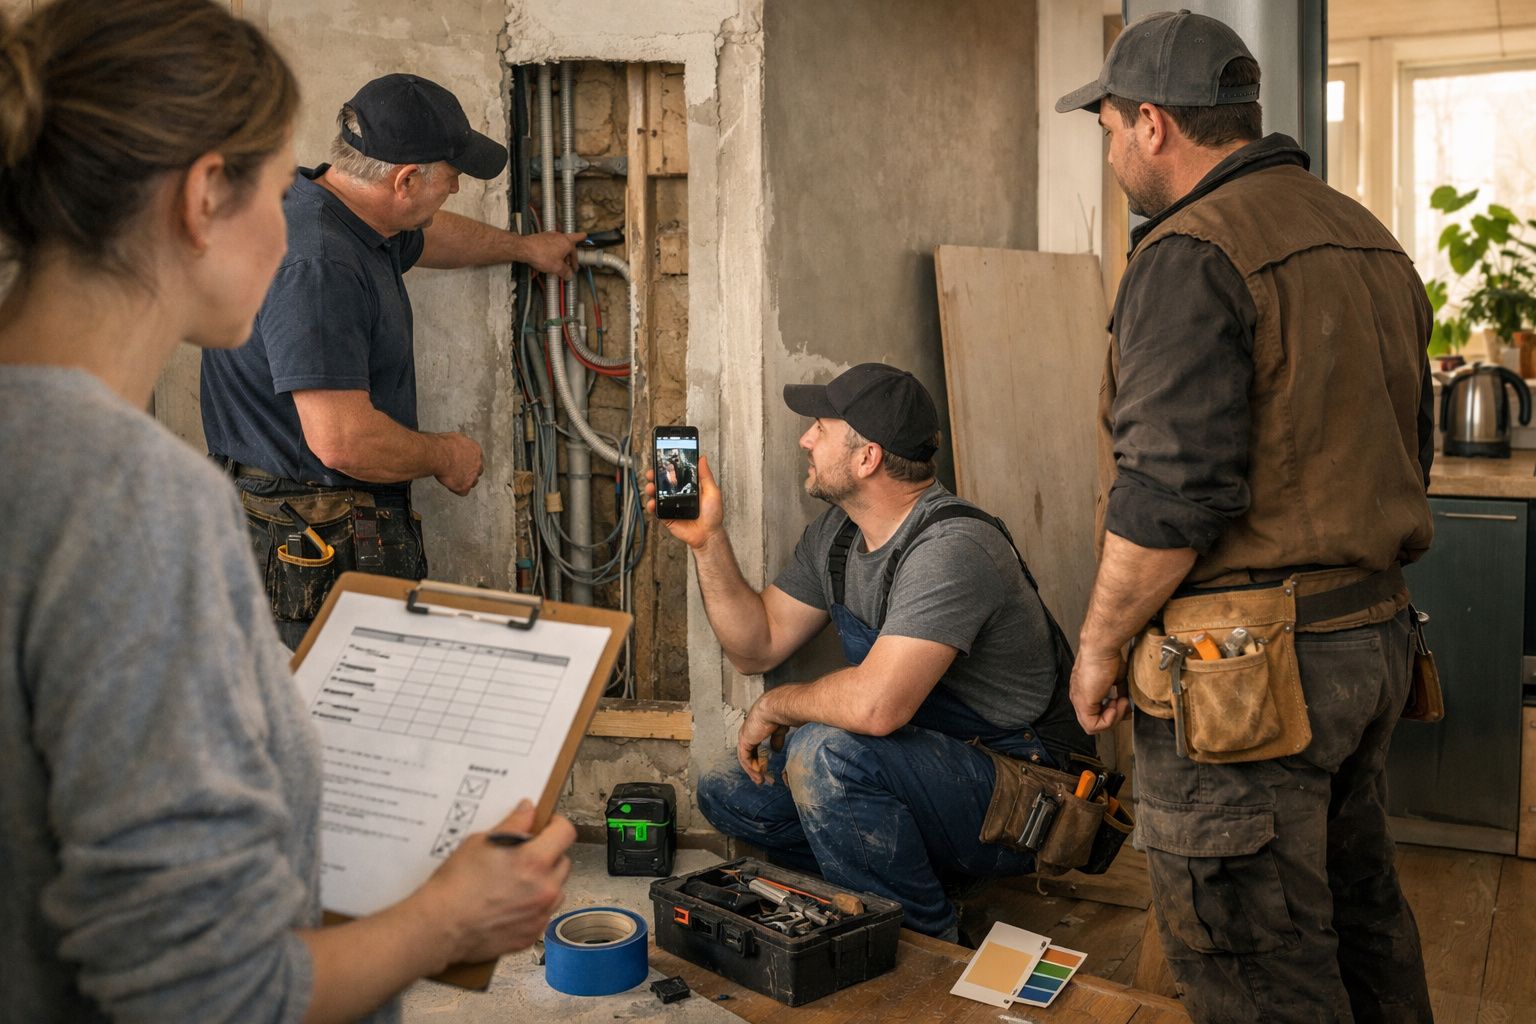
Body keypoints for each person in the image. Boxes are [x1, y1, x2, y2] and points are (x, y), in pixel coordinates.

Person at [0, 2, 574, 1022]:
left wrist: (524, 247)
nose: (291, 216)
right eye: (275, 190)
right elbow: (212, 994)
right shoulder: (136, 507)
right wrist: (449, 919)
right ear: (202, 200)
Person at [1056, 11, 1433, 1023]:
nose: (1111, 155)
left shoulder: (1189, 252)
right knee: (1361, 919)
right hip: (1371, 640)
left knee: (1257, 960)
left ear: (1152, 123)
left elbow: (1168, 501)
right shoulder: (1367, 236)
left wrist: (1098, 647)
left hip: (1249, 678)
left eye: (1109, 130)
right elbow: (1410, 451)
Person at [647, 363, 1092, 941]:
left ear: (867, 458)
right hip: (928, 769)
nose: (805, 439)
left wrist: (775, 705)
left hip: (1024, 795)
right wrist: (707, 540)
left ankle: (926, 945)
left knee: (826, 753)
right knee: (729, 791)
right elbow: (756, 646)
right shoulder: (837, 537)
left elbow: (877, 708)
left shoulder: (953, 547)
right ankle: (916, 887)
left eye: (820, 428)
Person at [199, 72, 585, 648]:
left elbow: (430, 235)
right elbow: (342, 441)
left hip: (299, 524)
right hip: (304, 541)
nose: (456, 187)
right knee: (326, 702)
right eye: (451, 177)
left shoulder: (329, 208)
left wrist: (524, 247)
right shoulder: (320, 266)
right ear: (405, 180)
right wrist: (444, 455)